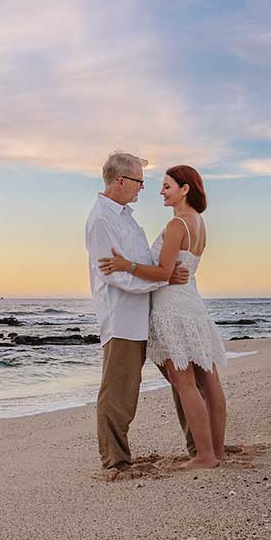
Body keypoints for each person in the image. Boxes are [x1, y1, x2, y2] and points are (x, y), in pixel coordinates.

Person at [98, 165, 228, 470]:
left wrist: (125, 265)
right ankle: (217, 451)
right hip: (193, 305)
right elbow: (177, 271)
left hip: (172, 308)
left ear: (185, 189)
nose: (161, 191)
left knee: (184, 383)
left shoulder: (177, 225)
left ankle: (205, 456)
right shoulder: (199, 223)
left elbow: (163, 273)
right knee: (209, 381)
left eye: (167, 186)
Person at [85, 151, 191, 475]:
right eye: (139, 182)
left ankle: (200, 445)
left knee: (182, 377)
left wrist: (166, 273)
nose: (143, 188)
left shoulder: (126, 217)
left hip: (150, 313)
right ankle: (115, 463)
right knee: (119, 393)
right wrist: (161, 279)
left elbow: (141, 263)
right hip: (123, 319)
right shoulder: (101, 219)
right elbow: (115, 276)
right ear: (120, 181)